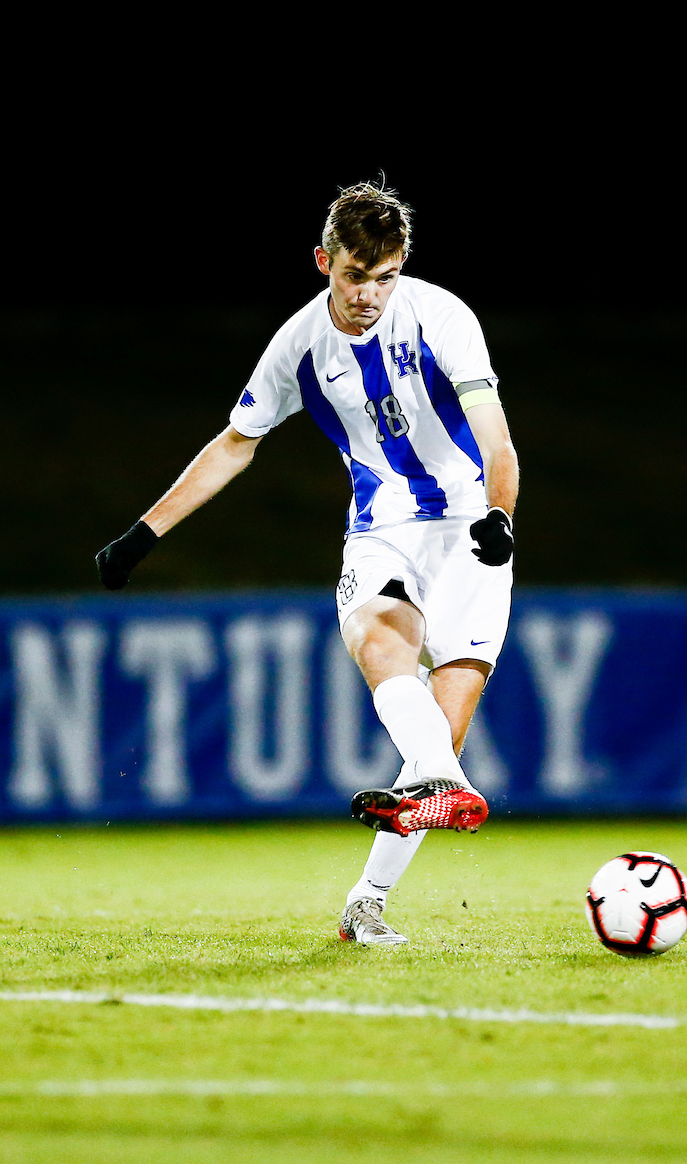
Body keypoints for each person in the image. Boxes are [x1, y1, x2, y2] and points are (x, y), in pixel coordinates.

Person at [96, 179, 519, 947]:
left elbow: (497, 438)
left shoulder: (443, 316)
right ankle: (441, 787)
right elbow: (235, 445)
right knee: (377, 637)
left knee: (439, 734)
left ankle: (368, 900)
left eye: (385, 276)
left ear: (403, 266)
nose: (370, 294)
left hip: (470, 531)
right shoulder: (298, 346)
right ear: (325, 261)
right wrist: (143, 533)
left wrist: (499, 515)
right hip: (382, 526)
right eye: (357, 275)